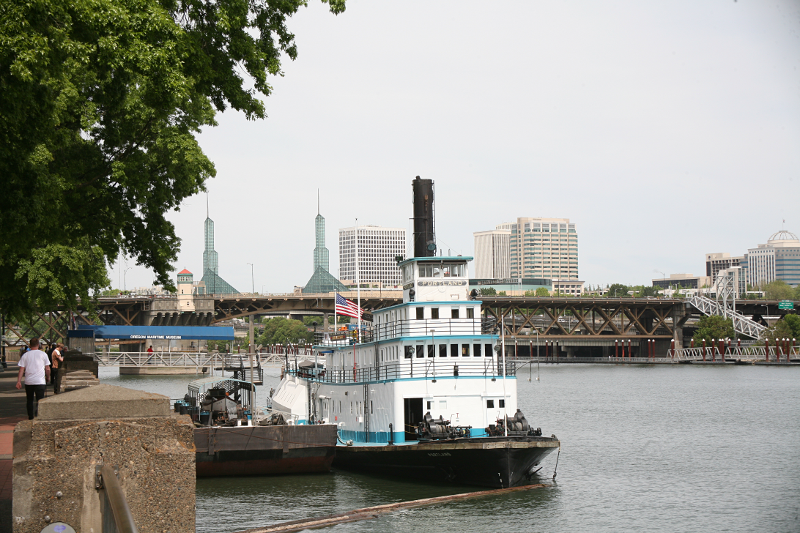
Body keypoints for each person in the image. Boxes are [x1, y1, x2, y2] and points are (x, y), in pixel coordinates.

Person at [16, 338, 51, 420]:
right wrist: (48, 377)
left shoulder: (25, 355)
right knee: (40, 400)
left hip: (29, 381)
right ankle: (39, 415)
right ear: (38, 345)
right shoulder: (43, 354)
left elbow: (21, 369)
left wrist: (18, 381)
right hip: (40, 381)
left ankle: (30, 416)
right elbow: (48, 368)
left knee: (29, 400)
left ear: (30, 345)